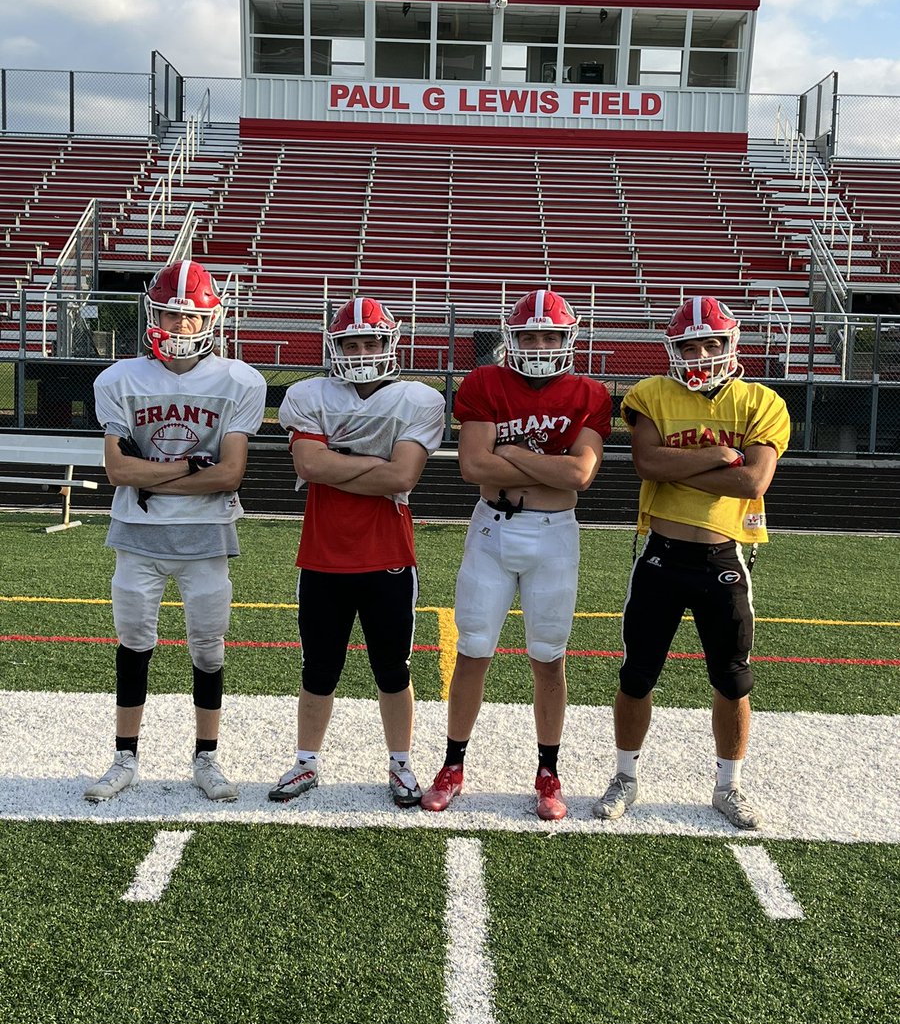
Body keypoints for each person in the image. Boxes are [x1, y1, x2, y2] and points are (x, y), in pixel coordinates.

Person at [593, 295, 790, 830]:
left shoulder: (761, 401)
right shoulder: (652, 393)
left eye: (710, 342)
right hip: (661, 555)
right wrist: (712, 456)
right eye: (688, 344)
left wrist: (674, 469)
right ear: (672, 349)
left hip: (724, 557)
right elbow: (645, 462)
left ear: (731, 344)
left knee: (733, 680)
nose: (700, 352)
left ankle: (729, 786)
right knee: (636, 675)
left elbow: (752, 480)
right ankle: (626, 776)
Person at [420, 289, 611, 820]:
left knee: (549, 657)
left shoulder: (589, 392)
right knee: (473, 651)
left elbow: (580, 476)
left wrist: (514, 455)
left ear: (568, 339)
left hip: (554, 535)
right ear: (513, 339)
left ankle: (549, 771)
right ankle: (453, 764)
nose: (541, 344)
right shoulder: (485, 382)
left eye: (550, 335)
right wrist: (540, 465)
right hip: (493, 532)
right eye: (530, 335)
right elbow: (474, 468)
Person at [85, 259, 266, 803]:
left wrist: (156, 476)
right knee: (133, 643)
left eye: (190, 317)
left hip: (206, 536)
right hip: (137, 536)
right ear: (152, 313)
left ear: (212, 319)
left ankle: (206, 757)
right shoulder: (119, 379)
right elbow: (118, 472)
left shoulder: (238, 380)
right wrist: (191, 468)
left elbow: (231, 473)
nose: (180, 325)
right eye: (169, 314)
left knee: (208, 648)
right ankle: (125, 757)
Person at [269, 297, 445, 808]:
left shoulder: (417, 399)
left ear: (389, 344)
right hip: (323, 555)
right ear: (335, 347)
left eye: (371, 341)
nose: (362, 351)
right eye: (352, 342)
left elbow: (403, 475)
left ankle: (401, 763)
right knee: (317, 669)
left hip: (387, 555)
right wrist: (373, 464)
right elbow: (309, 466)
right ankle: (306, 762)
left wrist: (337, 459)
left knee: (394, 669)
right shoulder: (310, 395)